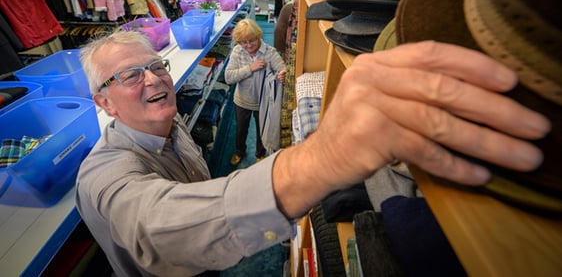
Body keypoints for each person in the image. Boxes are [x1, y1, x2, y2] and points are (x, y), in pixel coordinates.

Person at [76, 30, 548, 276]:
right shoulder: (104, 173)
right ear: (103, 102)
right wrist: (320, 160)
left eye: (155, 65)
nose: (155, 79)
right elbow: (153, 226)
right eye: (130, 76)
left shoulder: (169, 121)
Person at [224, 18, 287, 165]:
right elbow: (228, 77)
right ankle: (240, 151)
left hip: (263, 103)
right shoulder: (237, 51)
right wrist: (250, 68)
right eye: (244, 42)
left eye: (252, 41)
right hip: (242, 101)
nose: (248, 45)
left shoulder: (269, 52)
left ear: (259, 37)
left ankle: (260, 153)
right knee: (241, 130)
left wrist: (283, 74)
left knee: (262, 130)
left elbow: (283, 67)